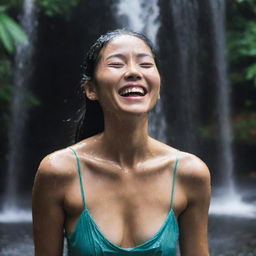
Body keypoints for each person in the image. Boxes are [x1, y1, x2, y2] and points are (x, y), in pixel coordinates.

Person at [32, 29, 211, 256]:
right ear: (91, 89)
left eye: (145, 65)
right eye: (117, 64)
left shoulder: (189, 173)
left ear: (158, 87)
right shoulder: (59, 171)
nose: (134, 72)